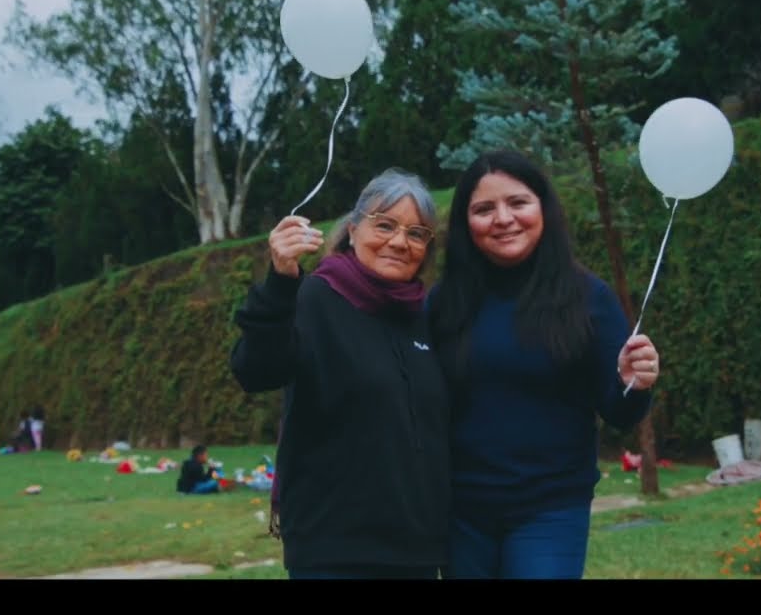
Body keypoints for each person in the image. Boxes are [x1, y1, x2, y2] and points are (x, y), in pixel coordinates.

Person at [426, 149, 662, 579]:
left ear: (543, 209)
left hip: (550, 510)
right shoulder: (441, 306)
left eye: (518, 202)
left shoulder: (588, 298)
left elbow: (620, 411)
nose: (503, 218)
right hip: (460, 514)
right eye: (483, 209)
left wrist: (635, 383)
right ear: (465, 223)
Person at [230, 167, 450, 580]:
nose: (400, 242)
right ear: (352, 229)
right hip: (333, 546)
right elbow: (255, 370)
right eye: (384, 225)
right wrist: (280, 281)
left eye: (417, 233)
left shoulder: (424, 315)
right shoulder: (315, 296)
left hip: (415, 547)